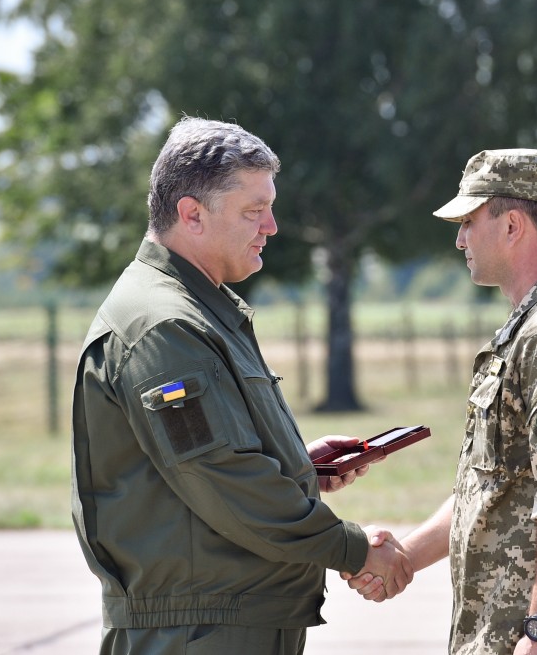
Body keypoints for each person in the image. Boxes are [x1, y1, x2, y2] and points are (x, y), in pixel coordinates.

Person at [71, 116, 412, 655]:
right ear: (192, 214)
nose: (271, 226)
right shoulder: (165, 325)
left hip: (223, 621)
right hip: (200, 632)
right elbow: (222, 474)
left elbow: (203, 457)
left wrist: (298, 467)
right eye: (254, 211)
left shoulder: (200, 311)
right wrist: (352, 549)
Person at [347, 149, 537, 654]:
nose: (460, 239)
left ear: (512, 226)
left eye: (468, 222)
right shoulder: (530, 329)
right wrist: (406, 555)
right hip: (501, 628)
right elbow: (493, 485)